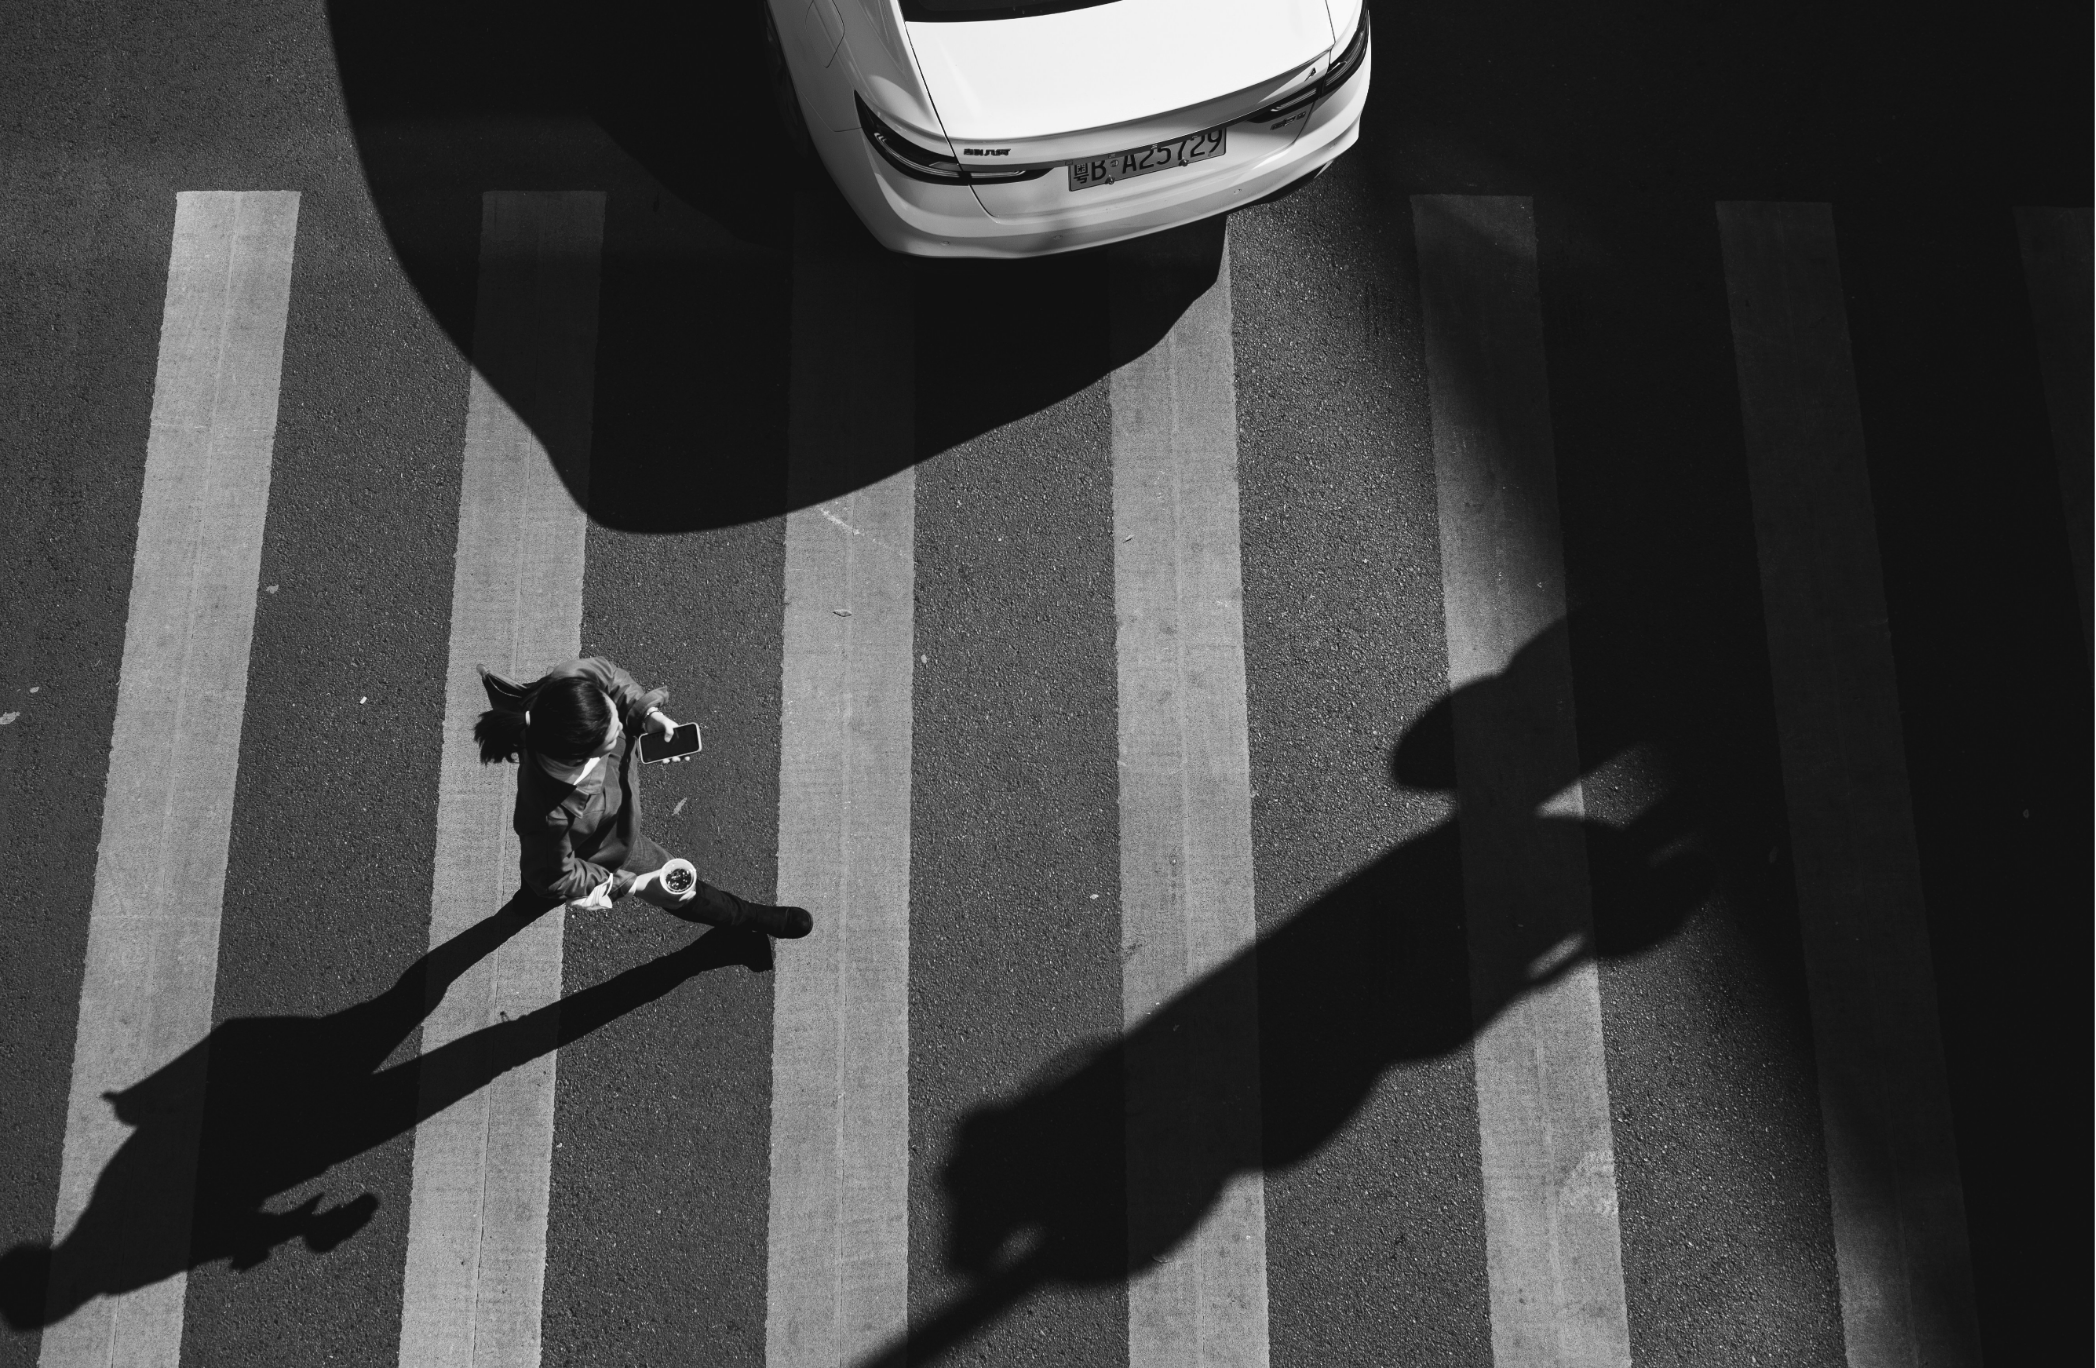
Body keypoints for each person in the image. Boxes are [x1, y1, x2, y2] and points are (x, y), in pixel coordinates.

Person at [473, 656, 812, 939]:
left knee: (540, 883)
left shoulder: (570, 685)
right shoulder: (551, 817)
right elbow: (555, 876)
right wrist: (633, 884)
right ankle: (746, 917)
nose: (622, 729)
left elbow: (608, 677)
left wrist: (647, 714)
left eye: (613, 716)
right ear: (582, 757)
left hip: (565, 850)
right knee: (673, 886)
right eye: (612, 737)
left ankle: (530, 901)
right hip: (607, 848)